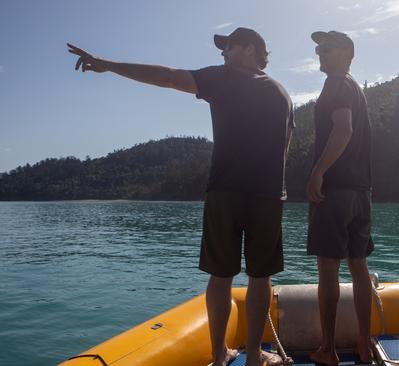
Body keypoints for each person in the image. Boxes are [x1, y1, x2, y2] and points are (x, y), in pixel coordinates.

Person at [68, 27, 294, 366]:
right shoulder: (282, 94)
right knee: (261, 277)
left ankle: (220, 357)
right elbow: (285, 151)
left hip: (224, 194)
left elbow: (168, 77)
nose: (222, 53)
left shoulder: (225, 78)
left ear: (249, 49)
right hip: (267, 195)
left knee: (221, 277)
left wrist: (108, 65)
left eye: (228, 46)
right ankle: (251, 359)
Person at [306, 31, 374, 365]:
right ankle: (364, 343)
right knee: (359, 266)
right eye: (318, 49)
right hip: (361, 193)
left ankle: (328, 349)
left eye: (327, 48)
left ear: (347, 52)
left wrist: (318, 171)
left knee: (328, 270)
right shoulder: (355, 87)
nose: (320, 53)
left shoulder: (336, 83)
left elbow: (343, 129)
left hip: (335, 192)